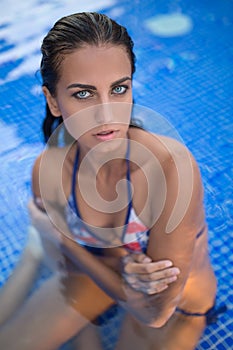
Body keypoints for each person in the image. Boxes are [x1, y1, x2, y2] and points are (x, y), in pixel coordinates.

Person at [0, 12, 220, 350]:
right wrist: (87, 328)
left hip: (178, 308)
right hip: (99, 273)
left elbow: (154, 311)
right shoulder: (49, 171)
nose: (107, 114)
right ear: (53, 101)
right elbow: (70, 266)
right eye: (84, 94)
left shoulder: (170, 170)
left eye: (119, 89)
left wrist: (63, 238)